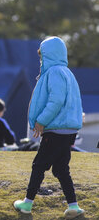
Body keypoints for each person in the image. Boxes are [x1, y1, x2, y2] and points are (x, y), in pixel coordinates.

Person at [13, 37, 84, 218]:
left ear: (49, 55)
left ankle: (27, 203)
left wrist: (41, 121)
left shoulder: (54, 72)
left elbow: (56, 100)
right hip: (69, 130)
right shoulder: (68, 73)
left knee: (39, 165)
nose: (41, 61)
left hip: (56, 129)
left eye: (42, 57)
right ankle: (73, 207)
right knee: (60, 168)